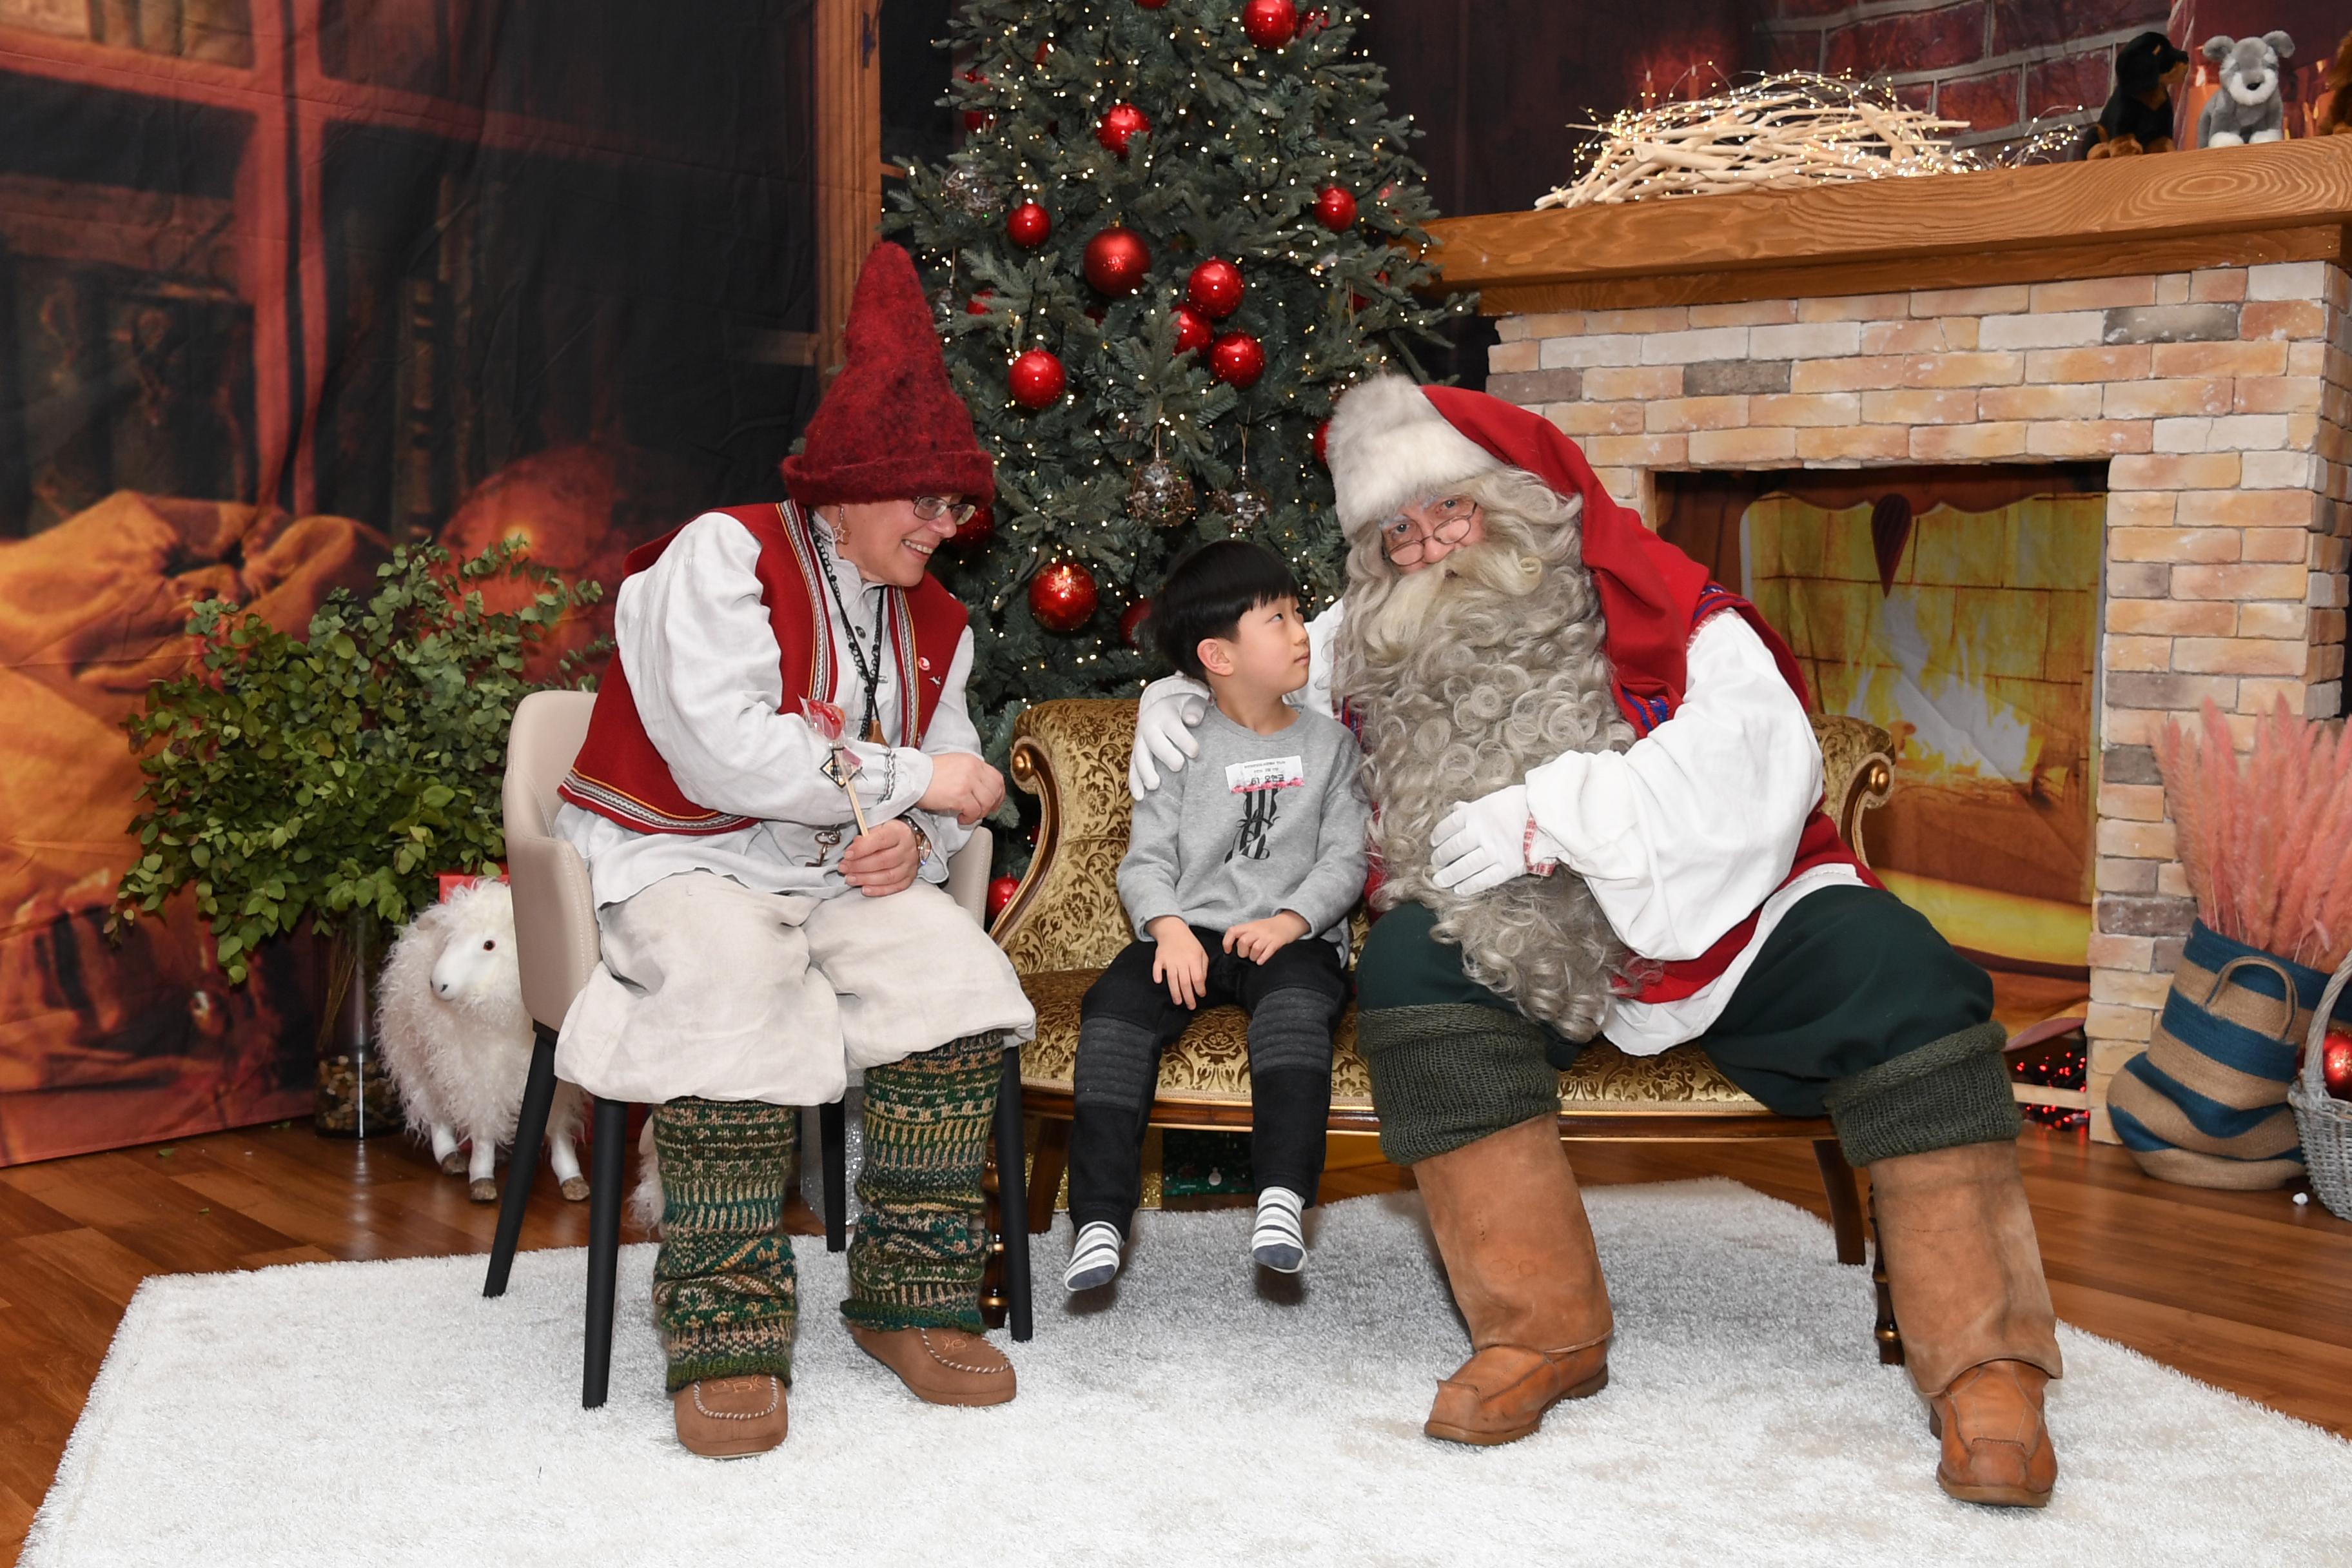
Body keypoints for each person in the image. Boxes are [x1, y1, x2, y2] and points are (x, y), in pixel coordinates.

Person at [1126, 376, 2063, 1509]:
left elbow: (1764, 758)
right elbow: (1246, 667)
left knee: (1902, 975)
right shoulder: (1369, 630)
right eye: (1400, 533)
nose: (1430, 548)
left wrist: (1552, 815)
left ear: (1512, 502)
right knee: (1416, 971)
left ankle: (1986, 1364)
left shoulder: (1660, 603)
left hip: (1723, 914)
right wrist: (1178, 696)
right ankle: (1541, 1329)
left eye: (1452, 513)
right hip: (1508, 935)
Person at [551, 242, 1036, 1458]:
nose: (944, 525)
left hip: (826, 876)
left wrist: (913, 847)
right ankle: (722, 1323)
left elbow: (948, 763)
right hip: (683, 857)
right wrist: (926, 786)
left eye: (955, 504)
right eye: (923, 500)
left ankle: (910, 1298)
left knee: (958, 980)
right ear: (847, 487)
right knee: (732, 980)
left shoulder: (937, 618)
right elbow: (725, 755)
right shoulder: (721, 556)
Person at [1064, 542, 1369, 1292]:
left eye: (1299, 613)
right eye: (1277, 619)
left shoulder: (1332, 747)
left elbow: (1346, 858)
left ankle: (1281, 1198)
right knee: (1115, 1007)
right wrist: (1167, 926)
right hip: (1190, 930)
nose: (1302, 632)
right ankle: (1100, 1216)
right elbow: (1144, 861)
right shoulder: (1180, 744)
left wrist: (1293, 920)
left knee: (1298, 1006)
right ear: (1219, 655)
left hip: (1288, 935)